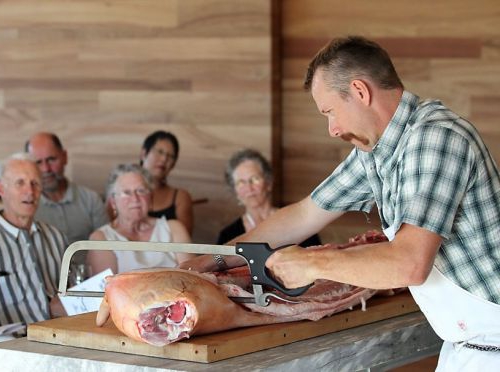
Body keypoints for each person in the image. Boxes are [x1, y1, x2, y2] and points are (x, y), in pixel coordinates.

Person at [181, 36, 500, 370]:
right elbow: (305, 214)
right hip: (468, 345)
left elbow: (409, 263)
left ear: (360, 92)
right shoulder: (375, 151)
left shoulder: (436, 137)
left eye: (330, 111)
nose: (332, 129)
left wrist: (313, 264)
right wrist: (214, 260)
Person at [0, 153, 68, 328]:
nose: (30, 192)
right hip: (13, 346)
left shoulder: (56, 237)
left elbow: (75, 295)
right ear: (0, 189)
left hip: (62, 338)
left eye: (35, 184)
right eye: (20, 183)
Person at [87, 163, 194, 274]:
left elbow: (192, 278)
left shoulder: (174, 229)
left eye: (141, 191)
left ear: (150, 197)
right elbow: (105, 288)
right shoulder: (102, 238)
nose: (135, 198)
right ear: (113, 202)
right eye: (126, 192)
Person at [25, 132, 108, 264]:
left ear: (65, 157)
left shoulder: (91, 200)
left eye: (51, 159)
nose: (46, 169)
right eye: (38, 162)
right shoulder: (26, 206)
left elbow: (106, 249)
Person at [216, 148, 321, 248]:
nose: (249, 188)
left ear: (269, 182)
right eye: (241, 183)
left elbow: (317, 259)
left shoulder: (300, 223)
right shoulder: (227, 236)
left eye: (255, 179)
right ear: (235, 191)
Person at [139, 130, 194, 235]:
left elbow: (184, 241)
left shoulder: (181, 197)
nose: (164, 159)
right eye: (160, 152)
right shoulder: (120, 191)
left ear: (173, 164)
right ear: (143, 153)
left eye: (171, 156)